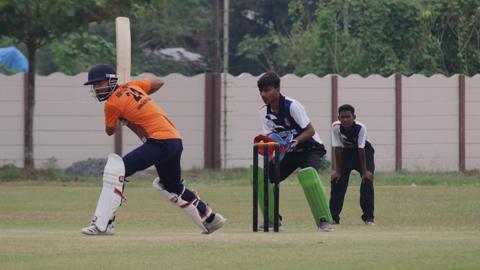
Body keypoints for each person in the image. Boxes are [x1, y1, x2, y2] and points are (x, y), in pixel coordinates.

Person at [81, 64, 225, 235]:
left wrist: (123, 117)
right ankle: (210, 218)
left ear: (111, 81)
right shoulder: (134, 86)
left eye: (99, 84)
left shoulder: (111, 104)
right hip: (174, 140)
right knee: (172, 186)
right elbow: (159, 82)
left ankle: (104, 223)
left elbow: (109, 131)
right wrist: (134, 91)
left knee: (116, 170)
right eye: (94, 86)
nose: (97, 89)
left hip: (160, 141)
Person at [257, 71, 333, 232]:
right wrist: (272, 155)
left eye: (267, 90)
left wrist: (295, 141)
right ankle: (273, 220)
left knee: (308, 176)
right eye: (261, 91)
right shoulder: (264, 112)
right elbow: (270, 137)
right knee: (267, 178)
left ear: (277, 89)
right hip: (289, 151)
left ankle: (324, 221)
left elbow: (310, 131)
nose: (264, 94)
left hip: (310, 147)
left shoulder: (292, 106)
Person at [330, 104, 375, 225]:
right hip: (347, 152)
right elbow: (337, 148)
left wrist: (365, 171)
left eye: (348, 117)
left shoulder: (360, 128)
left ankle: (368, 217)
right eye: (342, 117)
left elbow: (361, 149)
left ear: (354, 117)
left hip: (365, 152)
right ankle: (333, 217)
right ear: (338, 118)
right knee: (337, 180)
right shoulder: (335, 127)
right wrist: (337, 171)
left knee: (367, 180)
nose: (345, 119)